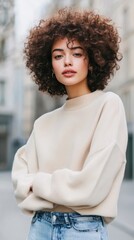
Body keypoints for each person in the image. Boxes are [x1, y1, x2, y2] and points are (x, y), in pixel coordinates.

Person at [11, 7, 128, 240]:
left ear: (93, 58)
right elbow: (21, 182)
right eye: (58, 55)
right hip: (40, 227)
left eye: (76, 53)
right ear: (49, 66)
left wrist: (39, 183)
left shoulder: (108, 105)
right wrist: (59, 190)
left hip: (83, 230)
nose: (67, 61)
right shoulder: (43, 123)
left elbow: (91, 187)